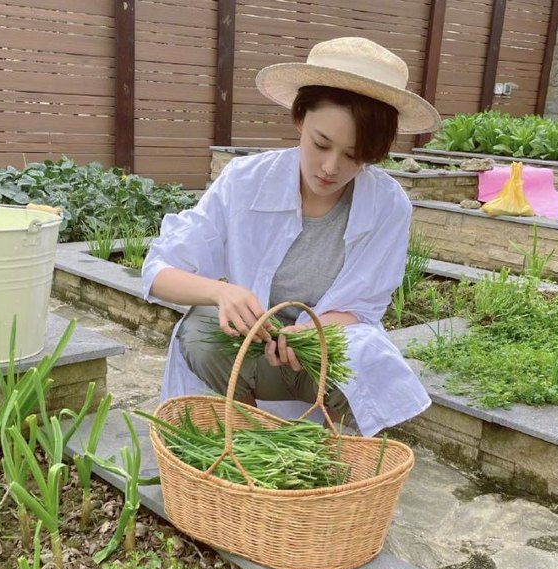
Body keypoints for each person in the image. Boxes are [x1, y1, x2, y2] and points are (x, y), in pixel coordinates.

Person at [141, 37, 441, 436]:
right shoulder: (246, 181)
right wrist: (220, 293)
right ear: (300, 119)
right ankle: (244, 431)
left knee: (366, 359)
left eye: (354, 155)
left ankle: (324, 443)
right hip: (248, 351)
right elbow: (159, 271)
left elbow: (364, 309)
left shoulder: (387, 204)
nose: (330, 168)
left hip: (313, 356)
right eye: (321, 144)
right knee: (201, 331)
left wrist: (314, 332)